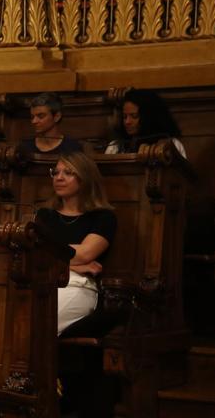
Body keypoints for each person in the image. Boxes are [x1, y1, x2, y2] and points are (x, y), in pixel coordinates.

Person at [34, 152, 117, 335]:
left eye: (68, 173)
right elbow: (34, 252)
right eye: (55, 172)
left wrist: (63, 260)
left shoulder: (103, 217)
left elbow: (84, 254)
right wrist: (75, 265)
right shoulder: (45, 215)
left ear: (85, 178)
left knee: (37, 325)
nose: (59, 178)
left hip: (78, 286)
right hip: (44, 281)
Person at [105, 88, 187, 158]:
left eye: (134, 116)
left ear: (149, 117)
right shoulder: (115, 147)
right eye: (124, 117)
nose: (127, 122)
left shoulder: (172, 144)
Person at [17, 92, 84, 157]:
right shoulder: (25, 147)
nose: (34, 121)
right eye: (32, 117)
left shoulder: (72, 148)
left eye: (41, 116)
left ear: (56, 117)